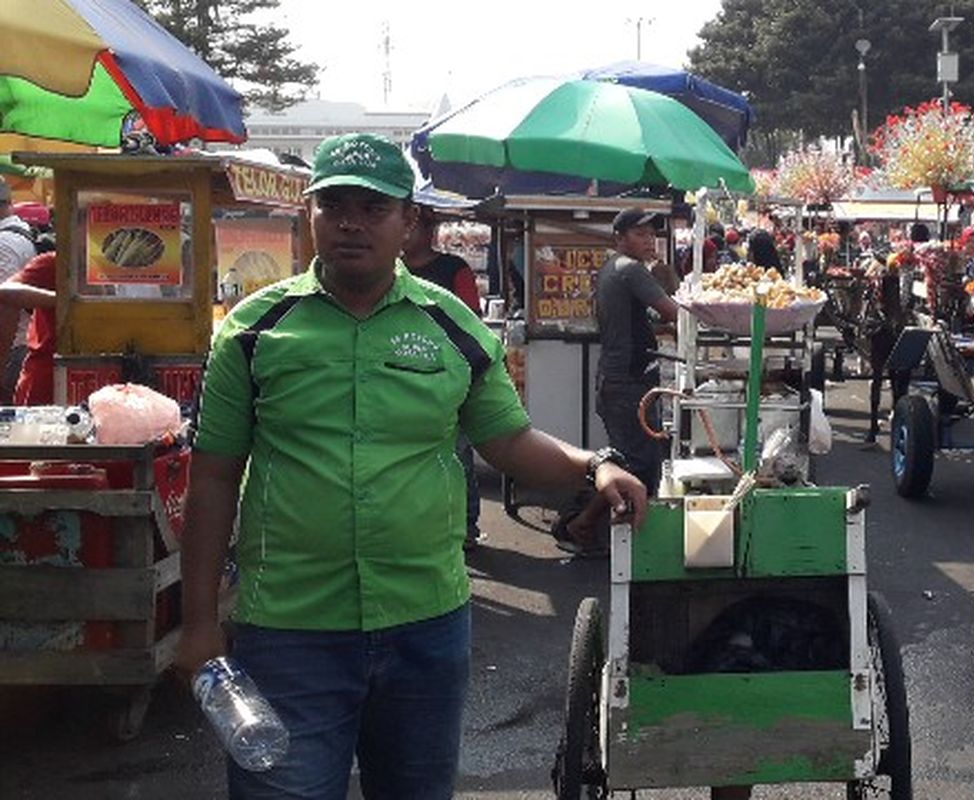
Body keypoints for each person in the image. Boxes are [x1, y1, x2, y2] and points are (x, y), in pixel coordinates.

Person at [175, 133, 648, 800]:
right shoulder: (254, 332)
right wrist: (199, 624)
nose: (350, 223)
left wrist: (594, 466)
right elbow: (215, 475)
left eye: (373, 208)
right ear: (309, 214)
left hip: (424, 628)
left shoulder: (452, 327)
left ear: (408, 220)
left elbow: (508, 441)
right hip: (288, 632)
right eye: (334, 204)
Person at [401, 204, 486, 549]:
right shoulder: (387, 271)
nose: (408, 235)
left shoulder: (454, 268)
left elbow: (472, 322)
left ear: (430, 231)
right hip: (400, 377)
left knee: (459, 452)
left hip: (448, 375)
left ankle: (465, 526)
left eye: (416, 227)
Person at [595, 208, 679, 496]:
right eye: (640, 234)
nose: (649, 240)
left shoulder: (611, 266)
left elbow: (635, 319)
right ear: (619, 237)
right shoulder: (631, 269)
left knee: (628, 463)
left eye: (652, 234)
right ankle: (586, 526)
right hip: (628, 385)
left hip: (616, 381)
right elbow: (673, 312)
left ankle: (583, 526)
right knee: (640, 469)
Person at [0, 251, 56, 404]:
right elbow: (6, 291)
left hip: (112, 373)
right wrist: (60, 300)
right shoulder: (57, 262)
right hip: (47, 377)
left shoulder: (124, 271)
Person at [0, 180, 37, 403]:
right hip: (19, 345)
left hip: (11, 349)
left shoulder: (4, 244)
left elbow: (6, 306)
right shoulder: (22, 231)